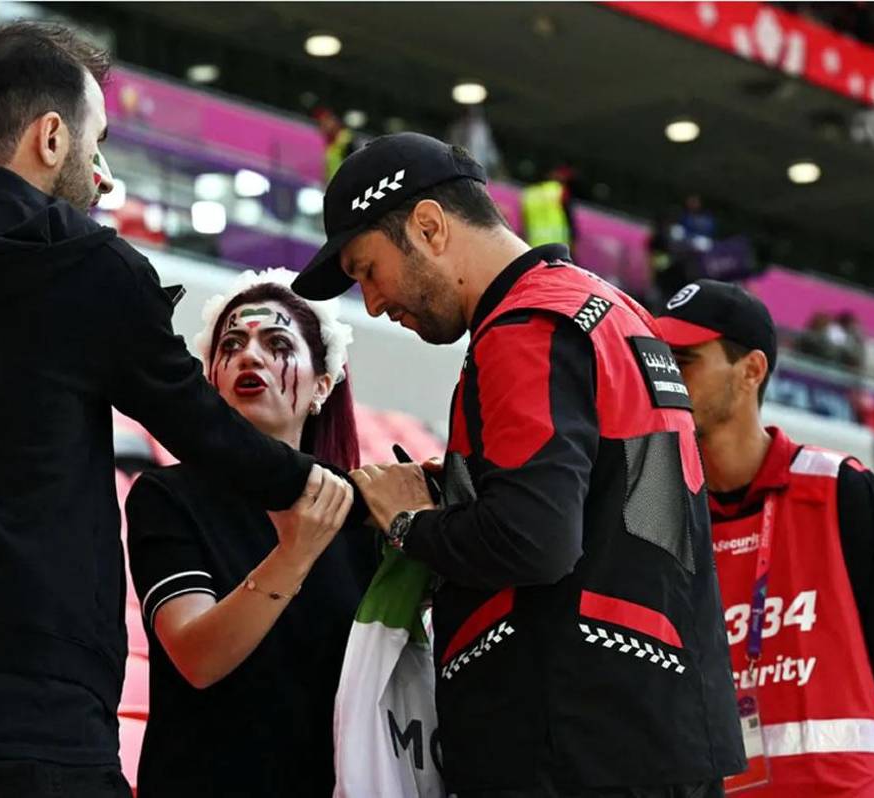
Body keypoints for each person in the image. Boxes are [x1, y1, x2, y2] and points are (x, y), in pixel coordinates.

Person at [0, 22, 351, 798]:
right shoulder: (89, 268)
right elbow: (206, 430)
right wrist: (325, 492)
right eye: (98, 142)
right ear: (50, 136)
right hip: (32, 728)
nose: (104, 174)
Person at [293, 132, 744, 796]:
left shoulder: (525, 327)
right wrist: (454, 490)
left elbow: (533, 539)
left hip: (568, 742)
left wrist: (409, 524)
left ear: (428, 226)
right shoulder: (612, 312)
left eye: (367, 270)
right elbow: (606, 502)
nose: (373, 302)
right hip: (656, 729)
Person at [656, 280, 874, 798]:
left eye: (683, 360)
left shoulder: (840, 489)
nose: (663, 376)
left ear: (751, 370)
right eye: (659, 360)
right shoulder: (658, 508)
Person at [125, 269, 375, 797]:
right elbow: (197, 658)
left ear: (322, 385)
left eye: (277, 343)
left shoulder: (360, 516)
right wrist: (295, 552)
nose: (249, 356)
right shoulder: (167, 496)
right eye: (231, 344)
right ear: (210, 379)